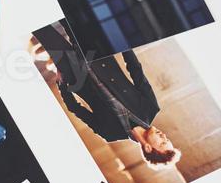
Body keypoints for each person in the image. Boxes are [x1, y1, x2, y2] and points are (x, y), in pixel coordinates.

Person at [34, 22, 182, 169]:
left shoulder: (110, 134)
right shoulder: (151, 108)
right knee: (68, 17)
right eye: (167, 139)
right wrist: (123, 44)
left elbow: (75, 108)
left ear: (148, 148)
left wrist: (62, 85)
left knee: (41, 29)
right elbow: (136, 70)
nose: (164, 135)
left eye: (162, 142)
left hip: (73, 73)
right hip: (96, 53)